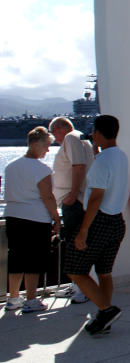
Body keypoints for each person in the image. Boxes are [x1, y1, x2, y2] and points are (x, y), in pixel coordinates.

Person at [64, 115, 129, 335]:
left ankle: (107, 309)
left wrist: (83, 230)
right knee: (104, 272)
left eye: (93, 132)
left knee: (75, 269)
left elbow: (95, 198)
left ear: (98, 133)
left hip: (98, 221)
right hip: (116, 221)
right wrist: (94, 151)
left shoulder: (102, 161)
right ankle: (105, 317)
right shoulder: (120, 156)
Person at [3, 127, 61, 314]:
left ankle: (13, 298)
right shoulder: (41, 169)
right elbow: (48, 197)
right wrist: (56, 217)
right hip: (35, 218)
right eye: (46, 146)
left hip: (13, 216)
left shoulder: (10, 166)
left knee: (17, 257)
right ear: (36, 145)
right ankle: (30, 299)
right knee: (34, 259)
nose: (48, 150)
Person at [48, 116, 95, 304]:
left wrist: (72, 194)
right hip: (78, 201)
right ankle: (78, 285)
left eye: (54, 134)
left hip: (75, 202)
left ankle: (81, 288)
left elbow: (79, 166)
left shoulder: (71, 138)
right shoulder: (81, 139)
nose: (55, 139)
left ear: (58, 130)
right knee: (78, 243)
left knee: (76, 244)